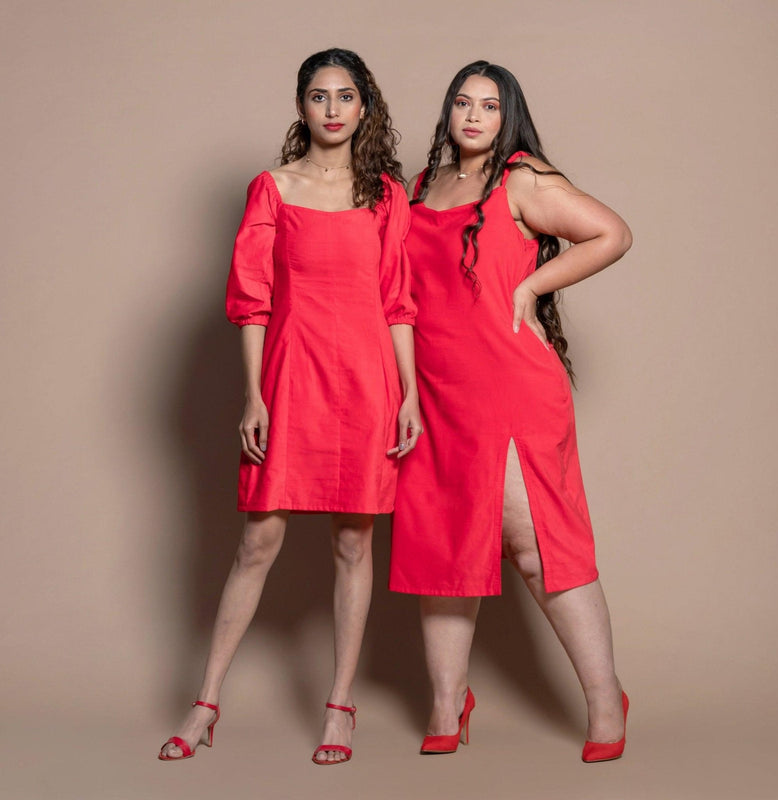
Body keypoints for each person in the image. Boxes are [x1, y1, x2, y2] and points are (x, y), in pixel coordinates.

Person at [158, 48, 420, 766]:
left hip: (368, 385)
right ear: (300, 106)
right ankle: (205, 702)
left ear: (364, 106)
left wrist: (412, 396)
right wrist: (254, 395)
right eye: (317, 96)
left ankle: (339, 709)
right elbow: (252, 301)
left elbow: (399, 302)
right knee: (258, 542)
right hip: (292, 380)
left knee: (353, 544)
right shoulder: (272, 188)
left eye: (344, 96)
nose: (332, 109)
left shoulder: (388, 196)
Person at [389, 60, 632, 762]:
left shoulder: (522, 179)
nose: (472, 116)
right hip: (433, 395)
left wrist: (533, 286)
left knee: (535, 543)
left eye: (489, 106)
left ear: (508, 116)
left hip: (514, 387)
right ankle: (446, 703)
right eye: (462, 103)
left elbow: (611, 233)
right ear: (448, 112)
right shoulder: (417, 190)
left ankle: (603, 700)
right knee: (444, 545)